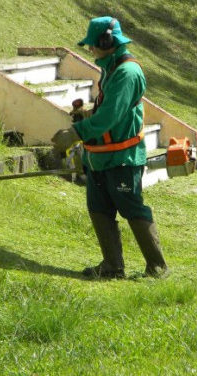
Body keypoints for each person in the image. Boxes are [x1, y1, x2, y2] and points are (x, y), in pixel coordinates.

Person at [51, 16, 168, 279]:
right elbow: (106, 110)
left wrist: (75, 133)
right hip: (100, 157)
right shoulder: (111, 68)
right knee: (99, 208)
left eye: (93, 44)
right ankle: (112, 267)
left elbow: (111, 117)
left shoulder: (127, 73)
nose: (90, 49)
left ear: (107, 42)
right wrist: (86, 118)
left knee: (132, 208)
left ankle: (157, 267)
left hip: (123, 157)